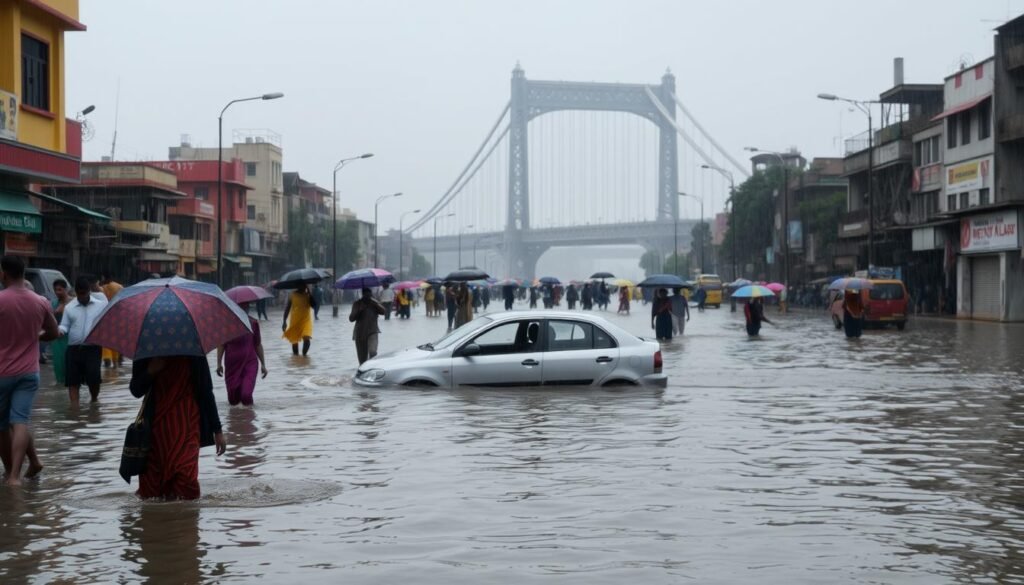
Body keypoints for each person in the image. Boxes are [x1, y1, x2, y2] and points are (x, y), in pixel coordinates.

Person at [129, 356, 226, 499]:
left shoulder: (193, 351)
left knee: (186, 478)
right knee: (152, 489)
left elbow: (206, 390)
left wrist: (217, 431)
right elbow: (135, 389)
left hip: (187, 424)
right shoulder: (147, 350)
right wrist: (150, 371)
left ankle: (185, 519)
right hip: (156, 430)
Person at [0, 256, 59, 486]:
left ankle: (10, 474)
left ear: (4, 273)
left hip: (3, 372)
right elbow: (53, 333)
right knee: (21, 420)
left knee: (3, 426)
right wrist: (36, 336)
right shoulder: (40, 301)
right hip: (29, 372)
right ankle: (26, 467)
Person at [60, 276, 109, 403]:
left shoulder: (101, 305)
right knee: (72, 381)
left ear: (89, 291)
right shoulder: (69, 307)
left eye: (85, 293)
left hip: (93, 348)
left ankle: (94, 401)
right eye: (80, 294)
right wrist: (60, 330)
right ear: (76, 292)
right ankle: (75, 410)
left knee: (94, 379)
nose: (82, 297)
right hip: (73, 349)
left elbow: (109, 321)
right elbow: (65, 325)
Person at [216, 304, 268, 406]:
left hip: (250, 363)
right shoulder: (226, 324)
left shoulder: (253, 323)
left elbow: (257, 344)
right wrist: (218, 363)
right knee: (233, 400)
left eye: (246, 306)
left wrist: (263, 364)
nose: (245, 308)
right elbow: (221, 344)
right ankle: (238, 419)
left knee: (246, 395)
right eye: (241, 306)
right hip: (232, 365)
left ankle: (249, 417)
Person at [349, 287, 386, 364]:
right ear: (363, 295)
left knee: (373, 352)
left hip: (373, 331)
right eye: (366, 295)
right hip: (359, 333)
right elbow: (351, 318)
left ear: (371, 295)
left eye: (369, 295)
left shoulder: (374, 303)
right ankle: (364, 372)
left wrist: (375, 304)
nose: (368, 297)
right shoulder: (357, 304)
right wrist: (360, 310)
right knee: (362, 360)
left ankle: (372, 367)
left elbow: (383, 311)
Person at [99, 273, 124, 368]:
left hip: (106, 315)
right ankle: (118, 358)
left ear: (104, 277)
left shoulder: (102, 288)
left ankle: (107, 359)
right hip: (118, 315)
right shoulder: (119, 287)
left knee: (106, 337)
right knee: (117, 336)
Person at [282, 284, 314, 356]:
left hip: (306, 321)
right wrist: (284, 321)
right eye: (302, 285)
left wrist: (309, 292)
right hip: (295, 321)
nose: (303, 287)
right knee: (294, 341)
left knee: (307, 338)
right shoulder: (292, 295)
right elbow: (287, 308)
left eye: (305, 285)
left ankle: (304, 356)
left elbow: (314, 305)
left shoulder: (308, 295)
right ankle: (296, 358)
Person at [50, 279, 71, 386]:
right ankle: (60, 386)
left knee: (69, 365)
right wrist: (57, 311)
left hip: (70, 338)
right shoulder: (53, 303)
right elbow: (48, 318)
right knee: (58, 365)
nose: (57, 292)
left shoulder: (73, 302)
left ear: (66, 289)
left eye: (60, 289)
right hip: (56, 339)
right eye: (55, 290)